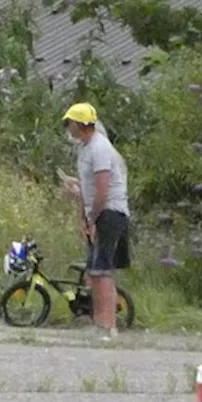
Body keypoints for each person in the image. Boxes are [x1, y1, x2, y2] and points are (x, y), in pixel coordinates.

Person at [62, 102, 131, 341]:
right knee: (95, 271)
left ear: (80, 124)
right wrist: (79, 199)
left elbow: (103, 189)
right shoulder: (85, 149)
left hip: (109, 212)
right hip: (99, 212)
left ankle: (108, 325)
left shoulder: (100, 148)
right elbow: (90, 190)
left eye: (69, 122)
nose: (67, 127)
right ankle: (100, 322)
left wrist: (93, 217)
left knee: (102, 271)